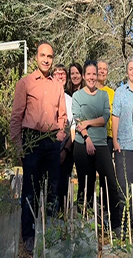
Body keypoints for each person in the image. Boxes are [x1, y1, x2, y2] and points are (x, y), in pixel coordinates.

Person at [10, 41, 67, 254]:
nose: (46, 59)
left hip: (51, 142)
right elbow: (16, 117)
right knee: (30, 190)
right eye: (42, 55)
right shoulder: (25, 83)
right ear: (36, 57)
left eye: (49, 56)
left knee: (53, 189)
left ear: (52, 59)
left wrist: (59, 136)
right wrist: (18, 147)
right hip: (31, 141)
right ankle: (28, 235)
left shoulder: (57, 86)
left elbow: (62, 116)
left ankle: (49, 232)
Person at [72, 60, 120, 235]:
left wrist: (88, 123)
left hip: (101, 144)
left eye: (94, 74)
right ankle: (85, 224)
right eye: (89, 74)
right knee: (86, 184)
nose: (92, 77)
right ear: (84, 76)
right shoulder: (77, 96)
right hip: (81, 144)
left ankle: (116, 224)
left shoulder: (103, 95)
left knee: (110, 183)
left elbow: (104, 117)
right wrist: (87, 137)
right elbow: (77, 120)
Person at [112, 57, 133, 234]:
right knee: (124, 185)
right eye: (130, 69)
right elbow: (115, 116)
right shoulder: (120, 92)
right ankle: (124, 220)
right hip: (123, 144)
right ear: (127, 72)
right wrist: (115, 140)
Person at [52, 64, 75, 212]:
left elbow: (73, 127)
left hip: (65, 149)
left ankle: (61, 216)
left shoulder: (70, 100)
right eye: (57, 73)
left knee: (62, 187)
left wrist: (65, 150)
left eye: (63, 74)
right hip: (48, 149)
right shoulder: (46, 96)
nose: (60, 76)